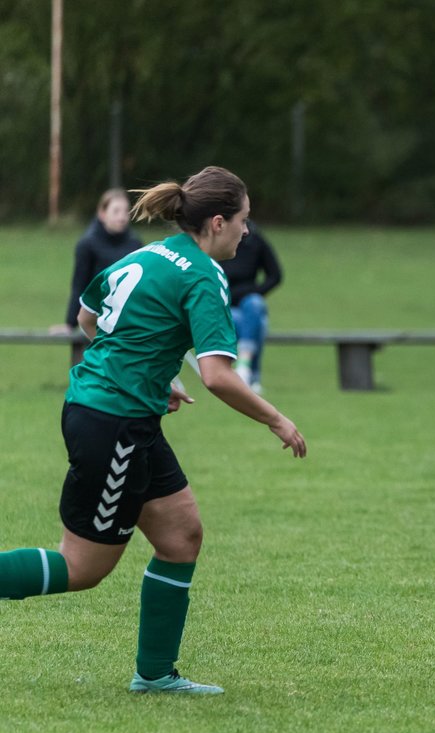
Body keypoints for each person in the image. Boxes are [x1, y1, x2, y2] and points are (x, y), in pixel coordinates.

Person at [0, 166, 307, 694]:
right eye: (243, 221)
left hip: (119, 414)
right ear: (217, 222)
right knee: (82, 567)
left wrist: (150, 374)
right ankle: (155, 673)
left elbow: (88, 317)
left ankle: (155, 674)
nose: (247, 232)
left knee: (181, 535)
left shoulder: (146, 254)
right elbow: (216, 376)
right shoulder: (203, 275)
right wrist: (276, 418)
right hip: (113, 423)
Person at [56, 189, 143, 333]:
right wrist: (70, 323)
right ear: (102, 213)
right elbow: (79, 284)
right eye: (116, 211)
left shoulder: (135, 244)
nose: (122, 217)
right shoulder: (87, 244)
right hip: (95, 318)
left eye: (125, 211)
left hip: (127, 321)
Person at [221, 220, 283, 392]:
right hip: (224, 303)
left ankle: (243, 367)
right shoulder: (219, 244)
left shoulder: (255, 241)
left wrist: (254, 291)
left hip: (248, 301)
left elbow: (275, 275)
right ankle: (251, 374)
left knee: (254, 304)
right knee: (252, 323)